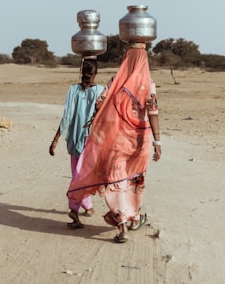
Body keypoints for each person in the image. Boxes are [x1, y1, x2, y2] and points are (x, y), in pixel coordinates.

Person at [67, 44, 161, 242]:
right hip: (139, 143)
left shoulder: (115, 82)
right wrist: (157, 142)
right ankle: (133, 218)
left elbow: (100, 104)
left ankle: (125, 224)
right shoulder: (149, 84)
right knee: (135, 182)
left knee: (116, 181)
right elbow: (153, 112)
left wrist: (104, 128)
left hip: (117, 141)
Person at [49, 57, 104, 228]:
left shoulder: (82, 90)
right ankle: (78, 207)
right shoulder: (96, 91)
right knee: (81, 176)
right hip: (86, 142)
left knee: (79, 175)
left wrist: (56, 139)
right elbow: (68, 117)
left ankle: (83, 206)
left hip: (82, 141)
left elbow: (67, 118)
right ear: (95, 73)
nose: (87, 75)